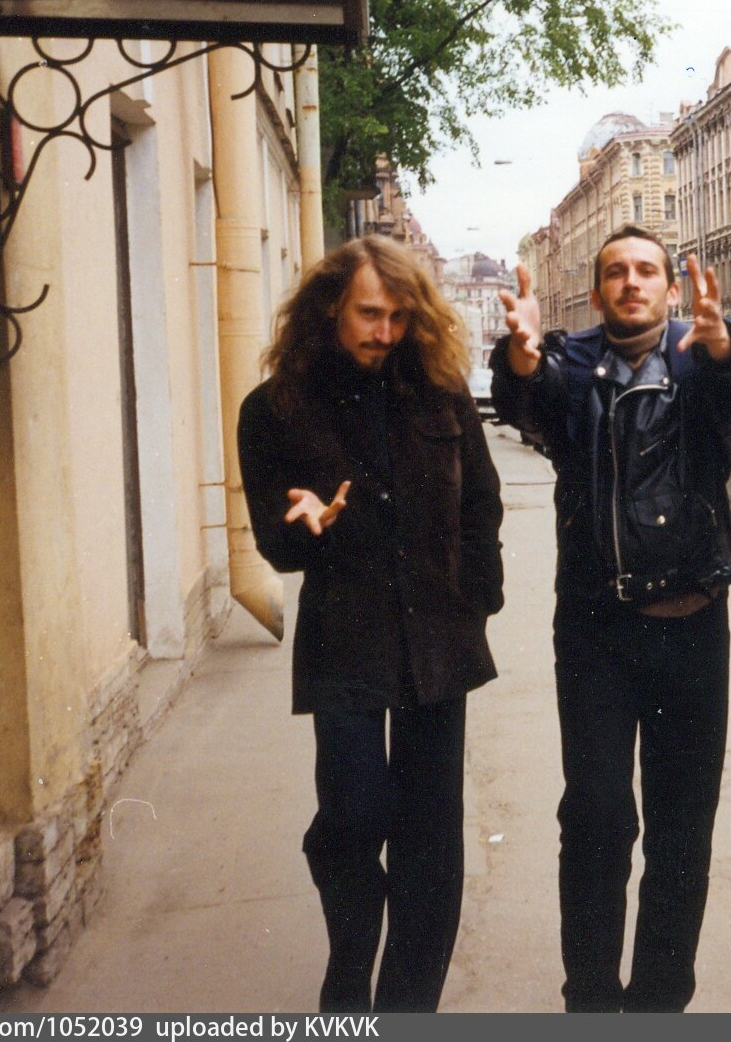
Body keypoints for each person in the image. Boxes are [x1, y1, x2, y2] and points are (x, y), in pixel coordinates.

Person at [490, 224, 731, 1012]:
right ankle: (589, 998)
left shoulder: (699, 358)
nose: (631, 282)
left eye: (646, 271)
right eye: (616, 271)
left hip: (691, 623)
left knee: (682, 827)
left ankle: (658, 1001)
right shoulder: (571, 363)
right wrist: (520, 357)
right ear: (598, 288)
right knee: (596, 817)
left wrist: (722, 348)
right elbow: (528, 406)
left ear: (670, 289)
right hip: (594, 630)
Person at [237, 236, 504, 1013]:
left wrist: (478, 596)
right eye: (368, 314)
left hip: (438, 638)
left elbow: (481, 501)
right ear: (329, 308)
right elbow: (275, 545)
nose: (383, 332)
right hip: (345, 637)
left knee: (430, 842)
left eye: (397, 317)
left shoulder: (441, 395)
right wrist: (304, 527)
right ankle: (351, 959)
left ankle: (404, 1009)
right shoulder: (275, 409)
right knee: (353, 817)